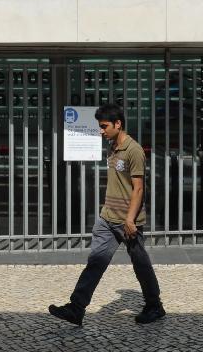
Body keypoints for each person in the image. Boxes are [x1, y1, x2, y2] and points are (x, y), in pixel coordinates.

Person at [48, 103, 165, 326]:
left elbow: (138, 188)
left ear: (118, 124)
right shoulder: (112, 147)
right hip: (107, 219)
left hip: (127, 221)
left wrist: (130, 219)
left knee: (141, 265)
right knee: (96, 262)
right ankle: (76, 308)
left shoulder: (134, 150)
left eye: (104, 126)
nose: (101, 131)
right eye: (100, 127)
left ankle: (154, 305)